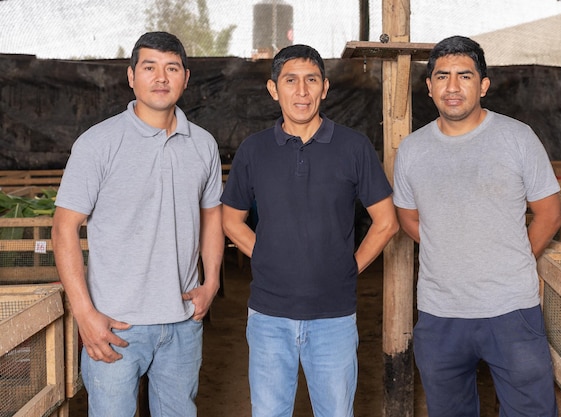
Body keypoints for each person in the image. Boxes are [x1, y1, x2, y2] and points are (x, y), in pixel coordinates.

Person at [52, 31, 223, 417]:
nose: (161, 78)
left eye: (171, 68)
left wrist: (210, 282)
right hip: (115, 326)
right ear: (131, 77)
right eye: (149, 67)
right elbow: (64, 228)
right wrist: (85, 315)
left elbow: (212, 213)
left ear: (186, 77)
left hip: (182, 323)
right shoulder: (98, 143)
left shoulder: (203, 145)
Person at [221, 44, 398, 417]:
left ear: (325, 87)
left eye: (311, 80)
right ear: (274, 89)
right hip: (269, 315)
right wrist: (268, 255)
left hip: (333, 317)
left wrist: (349, 267)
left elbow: (386, 222)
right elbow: (230, 220)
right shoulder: (254, 151)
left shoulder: (353, 147)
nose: (301, 91)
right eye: (290, 80)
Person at [393, 35, 561, 417]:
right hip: (441, 314)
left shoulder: (517, 138)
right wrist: (451, 247)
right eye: (442, 76)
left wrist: (510, 257)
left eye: (465, 76)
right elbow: (408, 217)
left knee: (531, 411)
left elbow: (549, 213)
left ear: (483, 85)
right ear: (429, 86)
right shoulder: (413, 149)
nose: (452, 87)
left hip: (511, 309)